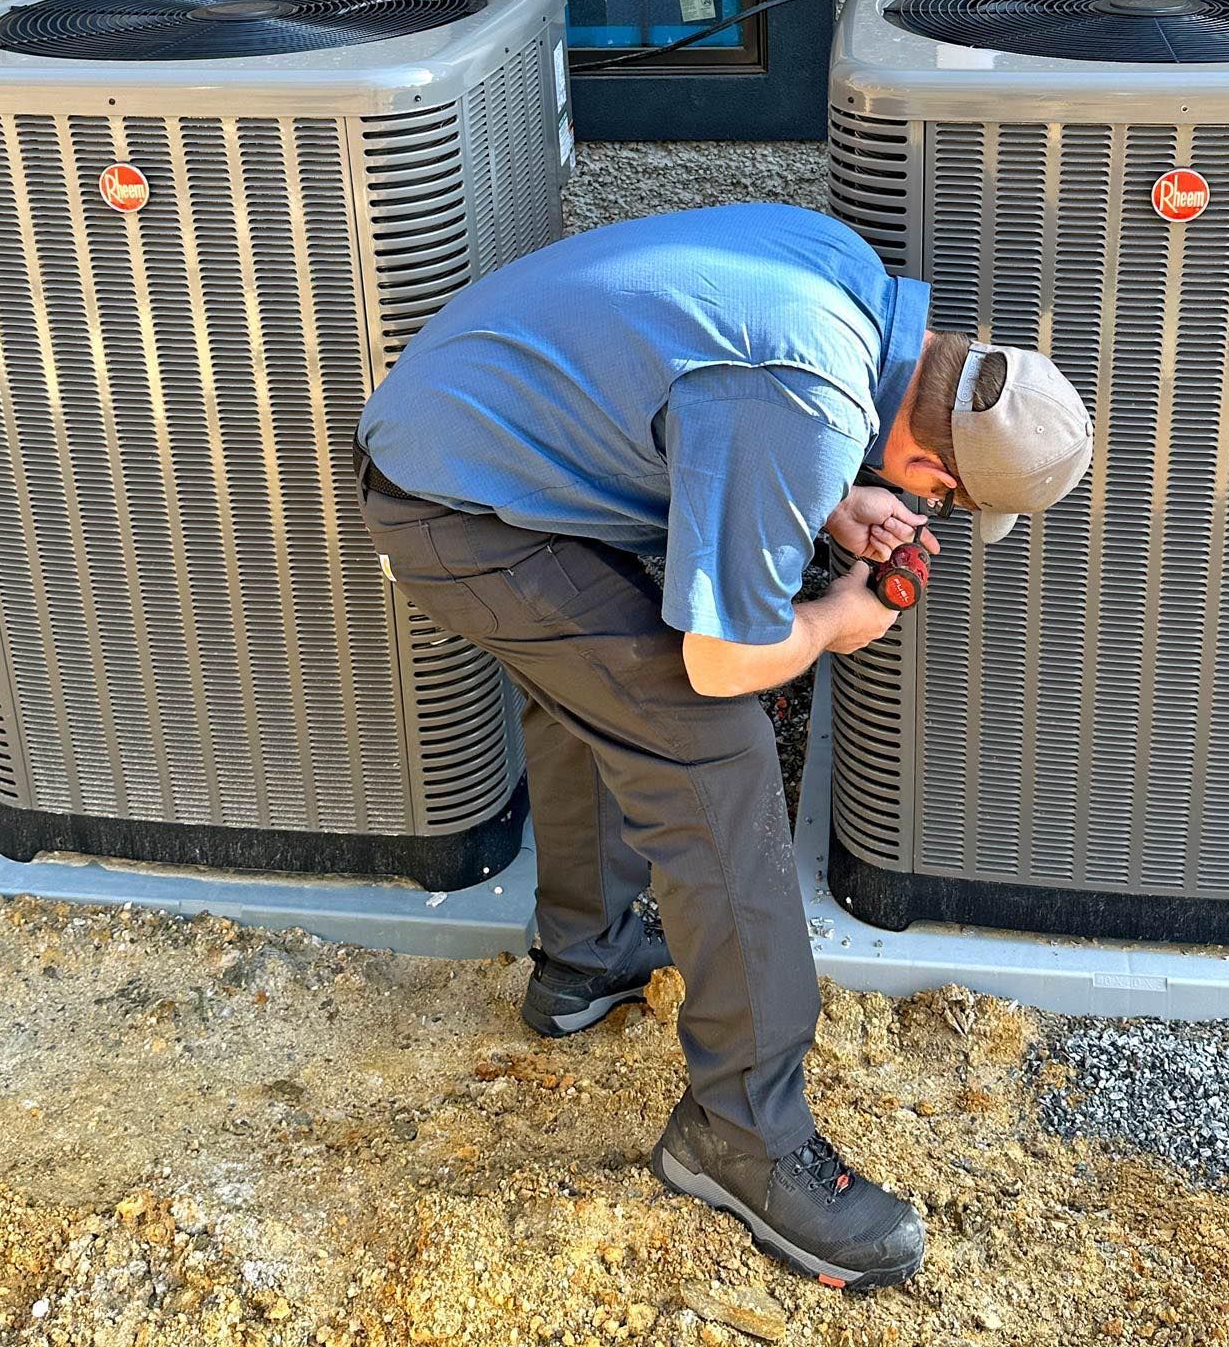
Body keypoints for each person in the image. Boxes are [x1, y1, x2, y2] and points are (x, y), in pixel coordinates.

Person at [355, 203, 1092, 1291]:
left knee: (598, 686)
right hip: (465, 509)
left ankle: (586, 952)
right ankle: (741, 1132)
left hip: (464, 444)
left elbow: (717, 389)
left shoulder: (848, 286)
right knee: (714, 755)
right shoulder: (801, 404)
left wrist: (833, 498)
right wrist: (838, 620)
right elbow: (719, 661)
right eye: (939, 495)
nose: (924, 509)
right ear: (930, 455)